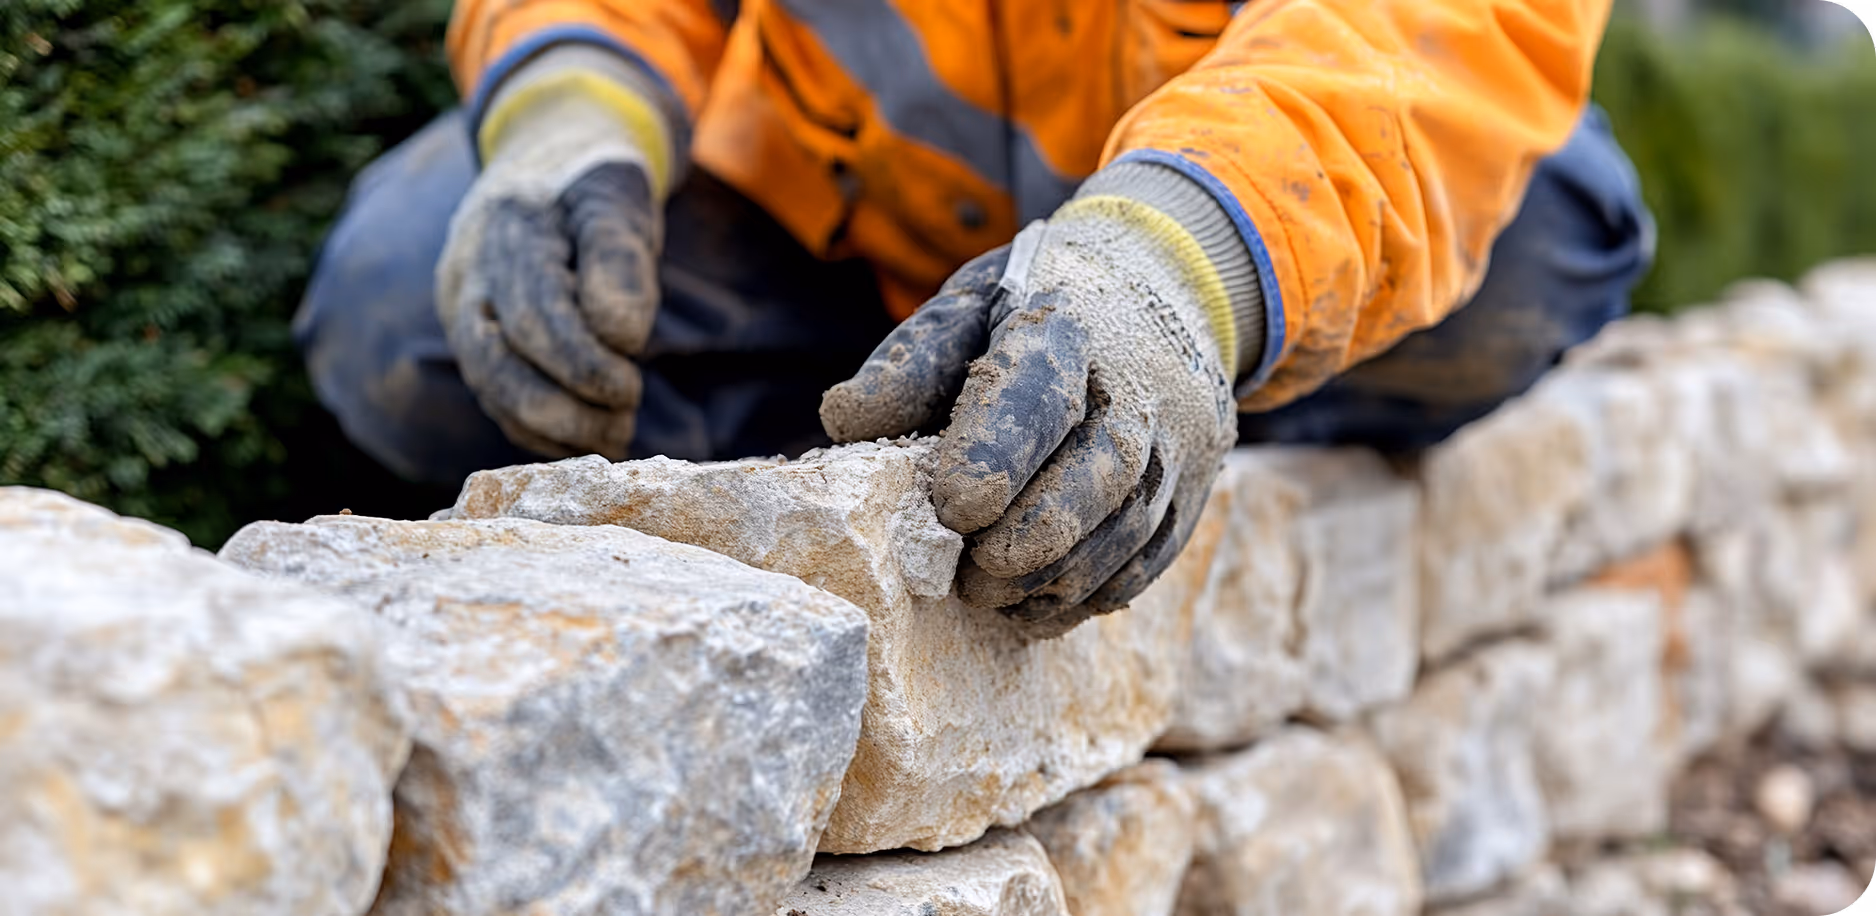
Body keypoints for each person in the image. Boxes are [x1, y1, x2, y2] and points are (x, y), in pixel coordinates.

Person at [297, 0, 1652, 632]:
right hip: (850, 233)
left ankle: (1148, 398)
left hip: (1256, 197)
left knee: (1531, 244)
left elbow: (1434, 31)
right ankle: (952, 424)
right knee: (401, 301)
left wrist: (1181, 274)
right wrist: (568, 104)